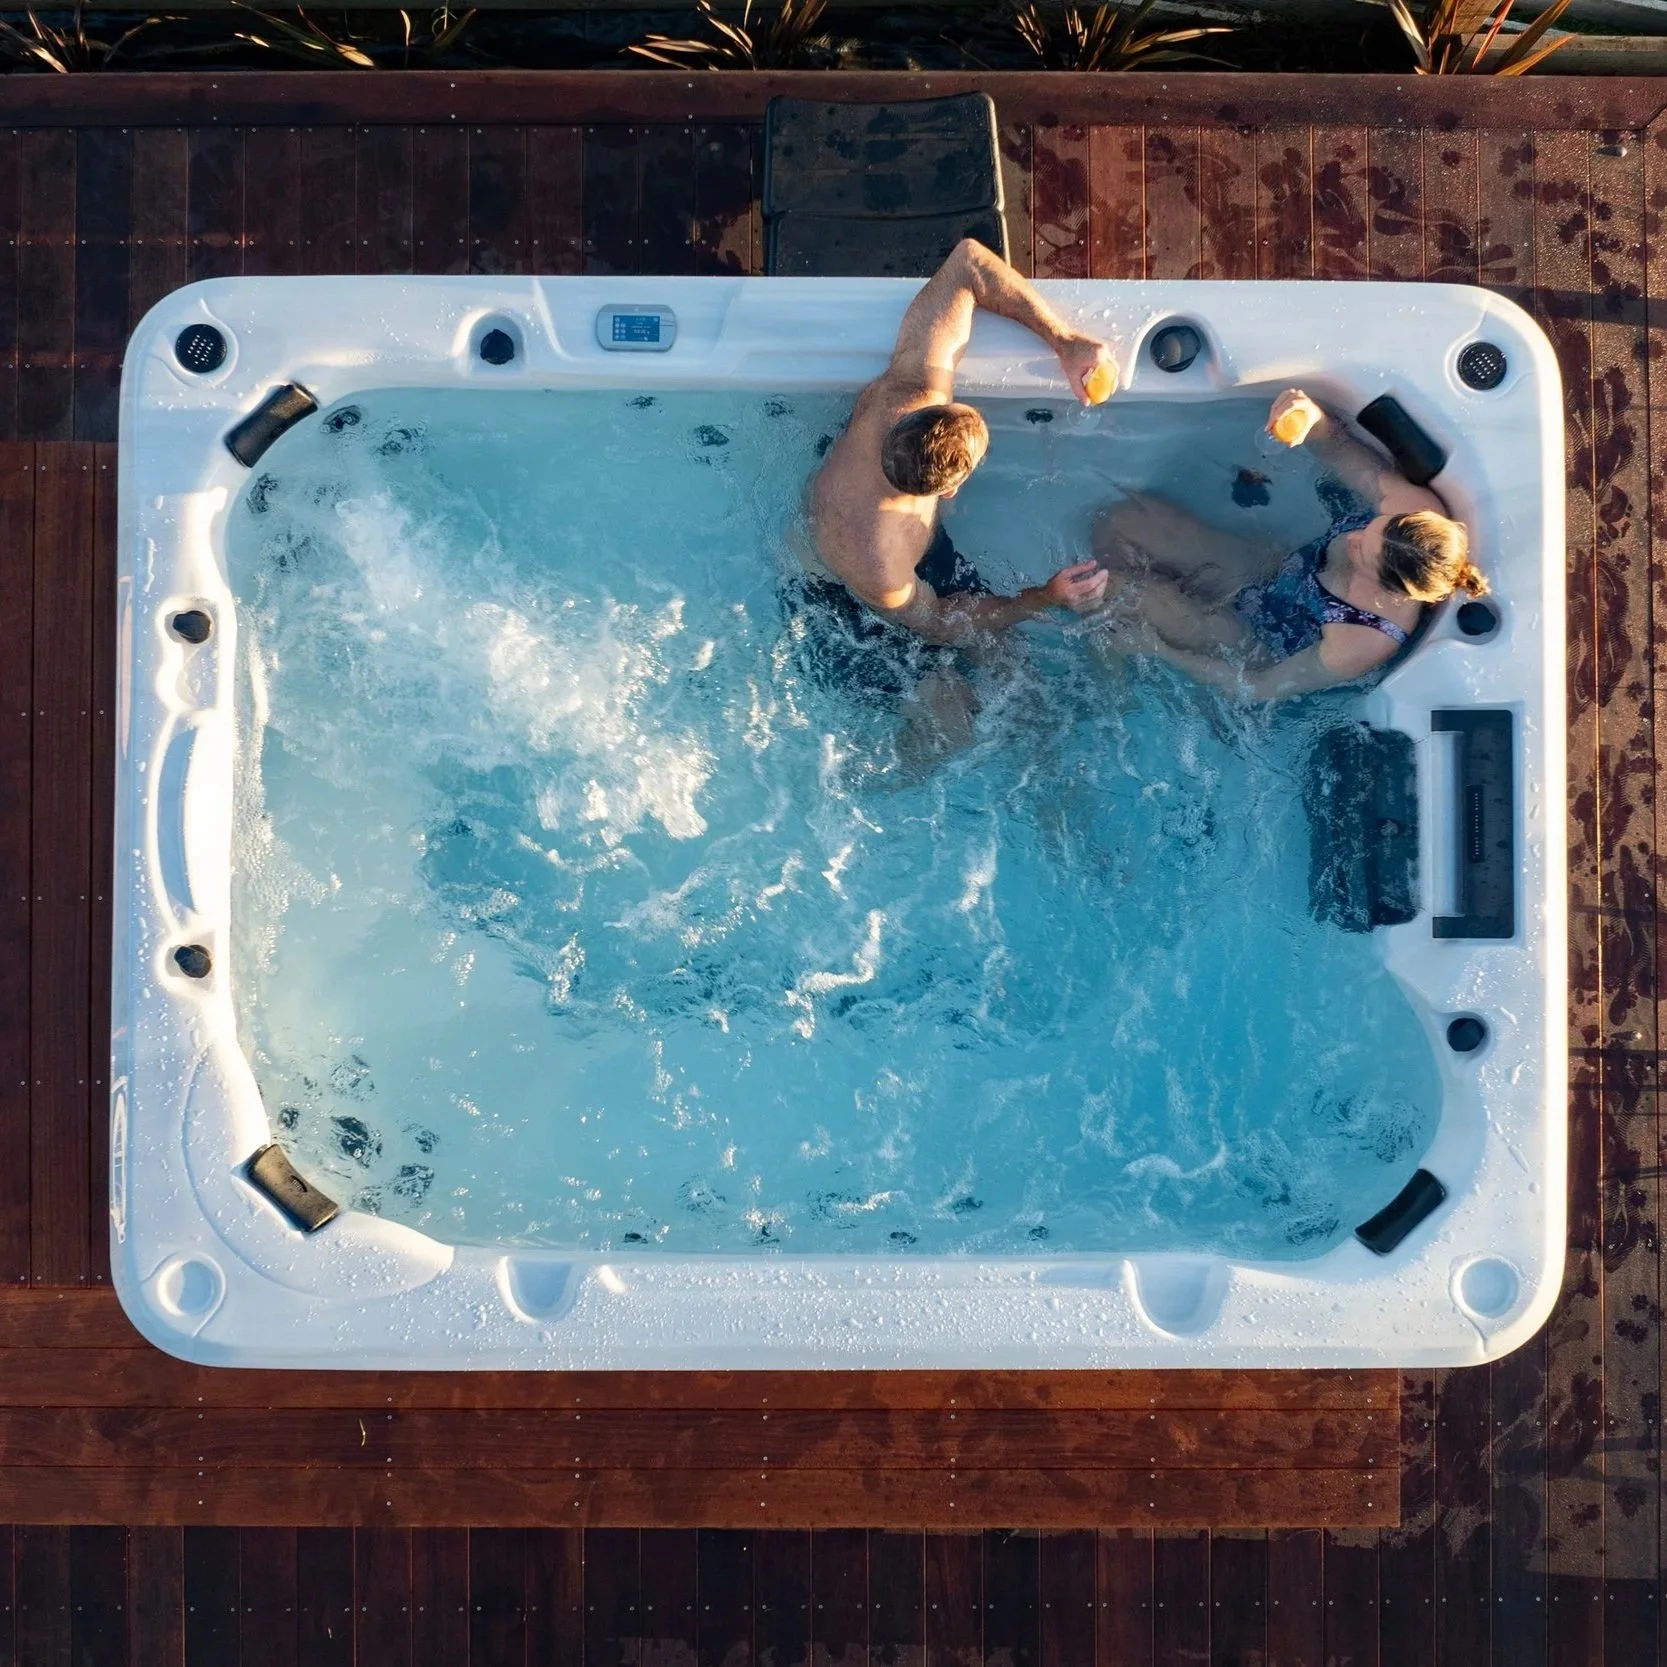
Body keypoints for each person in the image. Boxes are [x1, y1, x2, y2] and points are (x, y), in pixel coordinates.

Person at [797, 238, 1115, 758]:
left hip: (914, 560)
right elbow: (942, 624)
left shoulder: (906, 396)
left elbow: (967, 263)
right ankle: (863, 793)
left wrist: (1066, 341)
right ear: (950, 489)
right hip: (840, 596)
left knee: (1019, 683)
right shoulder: (876, 555)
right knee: (952, 722)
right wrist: (1046, 596)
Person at [1088, 389, 1486, 701]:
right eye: (1372, 526)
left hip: (1254, 637)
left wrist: (1157, 649)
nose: (1352, 536)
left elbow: (1257, 687)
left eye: (1362, 550)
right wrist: (1313, 422)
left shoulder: (1361, 641)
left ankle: (1120, 671)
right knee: (1121, 523)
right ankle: (1155, 604)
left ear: (1386, 589)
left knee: (1117, 593)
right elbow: (1340, 450)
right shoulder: (1415, 511)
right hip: (1274, 569)